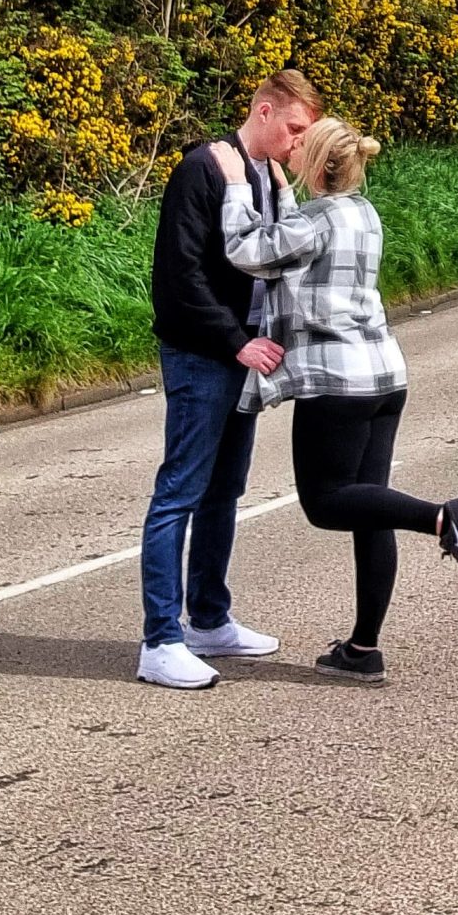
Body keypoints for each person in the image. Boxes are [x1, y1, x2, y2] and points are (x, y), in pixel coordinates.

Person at [219, 116, 458, 682]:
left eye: (300, 151)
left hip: (338, 383)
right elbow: (308, 235)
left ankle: (441, 518)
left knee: (326, 501)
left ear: (315, 165)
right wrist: (289, 192)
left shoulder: (314, 221)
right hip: (385, 375)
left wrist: (239, 186)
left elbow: (248, 250)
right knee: (368, 508)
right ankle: (363, 651)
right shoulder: (363, 213)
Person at [136, 67, 322, 691]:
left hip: (242, 357)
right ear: (264, 111)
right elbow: (178, 278)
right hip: (203, 355)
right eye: (295, 128)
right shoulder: (205, 168)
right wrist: (238, 343)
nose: (300, 143)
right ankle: (160, 641)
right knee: (180, 492)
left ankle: (209, 620)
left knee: (225, 491)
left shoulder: (266, 178)